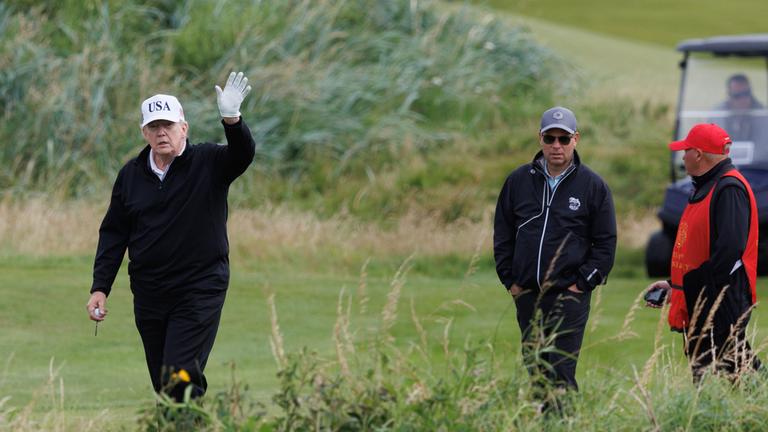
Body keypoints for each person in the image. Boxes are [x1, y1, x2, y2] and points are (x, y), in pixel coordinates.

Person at [85, 71, 255, 401]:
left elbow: (242, 155)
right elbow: (114, 234)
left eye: (168, 125)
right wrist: (100, 287)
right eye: (154, 126)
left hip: (199, 287)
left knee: (180, 374)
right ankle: (183, 420)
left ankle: (186, 419)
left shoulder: (209, 162)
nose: (161, 132)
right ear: (144, 132)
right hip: (149, 292)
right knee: (164, 382)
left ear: (184, 128)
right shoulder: (131, 175)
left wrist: (232, 120)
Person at [493, 106, 617, 401]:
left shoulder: (593, 186)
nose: (556, 146)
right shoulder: (518, 181)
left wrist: (581, 285)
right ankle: (541, 419)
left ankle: (563, 421)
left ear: (576, 139)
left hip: (568, 295)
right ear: (540, 138)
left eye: (564, 138)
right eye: (550, 138)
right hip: (527, 294)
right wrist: (510, 280)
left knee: (560, 372)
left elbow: (605, 244)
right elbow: (503, 234)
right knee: (536, 369)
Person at [645, 123, 761, 382]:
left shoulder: (728, 188)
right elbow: (700, 248)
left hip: (721, 295)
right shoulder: (708, 185)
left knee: (727, 368)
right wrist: (674, 284)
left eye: (685, 150)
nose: (682, 156)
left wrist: (692, 285)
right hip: (706, 292)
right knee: (717, 369)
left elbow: (729, 251)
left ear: (698, 154)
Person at [713, 74, 764, 142]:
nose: (743, 99)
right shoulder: (718, 114)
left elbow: (763, 143)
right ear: (729, 95)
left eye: (746, 93)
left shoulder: (761, 113)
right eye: (737, 95)